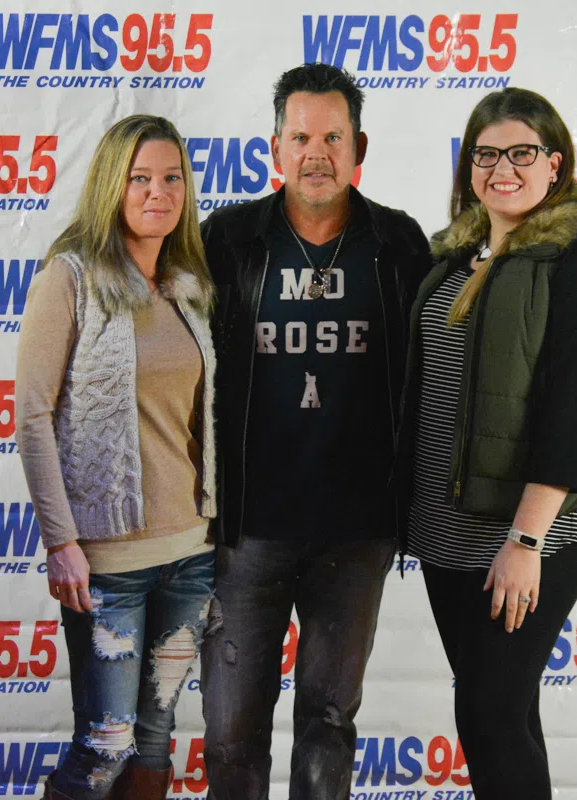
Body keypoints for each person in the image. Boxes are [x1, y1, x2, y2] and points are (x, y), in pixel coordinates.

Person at [198, 63, 432, 800]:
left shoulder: (397, 243)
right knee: (231, 730)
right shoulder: (228, 239)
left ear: (359, 147)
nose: (316, 154)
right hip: (246, 530)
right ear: (275, 149)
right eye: (300, 138)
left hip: (356, 534)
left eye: (333, 137)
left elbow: (433, 374)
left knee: (329, 723)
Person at [398, 88, 577, 798]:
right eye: (487, 154)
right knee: (502, 712)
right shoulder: (454, 256)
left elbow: (572, 412)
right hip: (448, 528)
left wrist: (526, 541)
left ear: (555, 163)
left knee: (490, 714)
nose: (503, 169)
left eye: (521, 153)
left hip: (534, 532)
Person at [15, 114, 218, 800]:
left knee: (155, 743)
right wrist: (60, 541)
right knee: (105, 745)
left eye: (172, 178)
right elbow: (31, 414)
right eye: (139, 178)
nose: (158, 192)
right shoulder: (70, 278)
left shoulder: (187, 286)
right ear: (112, 185)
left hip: (191, 556)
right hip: (108, 564)